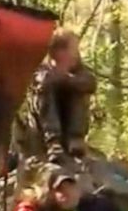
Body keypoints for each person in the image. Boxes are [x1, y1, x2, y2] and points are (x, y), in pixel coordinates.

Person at [30, 29, 97, 163]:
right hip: (44, 130)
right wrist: (58, 75)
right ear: (59, 52)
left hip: (70, 127)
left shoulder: (79, 70)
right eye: (72, 50)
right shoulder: (43, 69)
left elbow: (90, 83)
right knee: (46, 89)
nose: (75, 55)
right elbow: (41, 82)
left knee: (78, 88)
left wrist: (67, 78)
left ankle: (75, 139)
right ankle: (54, 142)